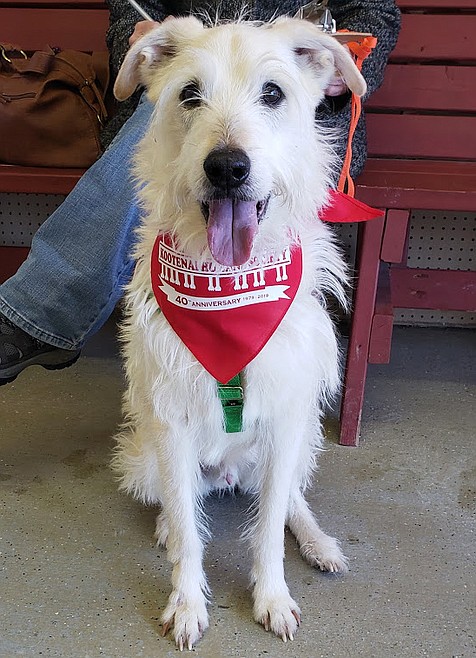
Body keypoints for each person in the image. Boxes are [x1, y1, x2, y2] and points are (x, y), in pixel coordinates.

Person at [0, 0, 401, 385]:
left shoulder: (303, 64)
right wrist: (139, 36)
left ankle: (35, 314)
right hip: (177, 88)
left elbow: (374, 10)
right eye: (194, 93)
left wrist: (341, 64)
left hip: (300, 103)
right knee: (161, 128)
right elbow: (132, 8)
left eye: (270, 94)